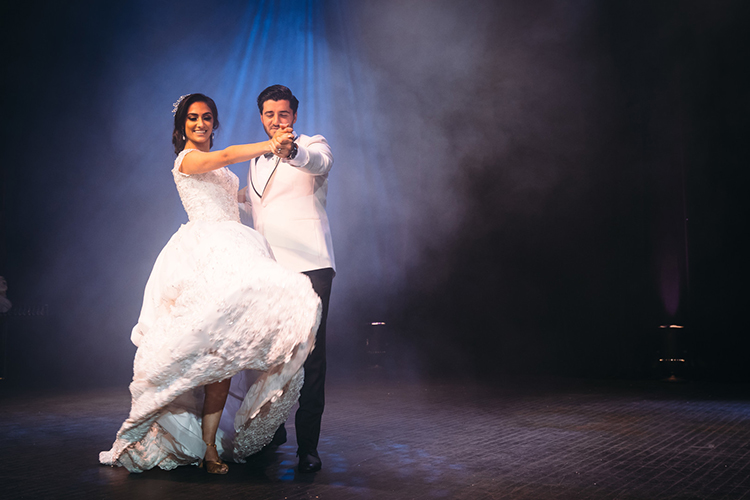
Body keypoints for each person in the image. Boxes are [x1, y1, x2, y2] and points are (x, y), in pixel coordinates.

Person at [100, 93, 321, 474]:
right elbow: (222, 158)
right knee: (206, 351)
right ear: (182, 126)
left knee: (226, 353)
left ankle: (210, 447)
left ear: (213, 123)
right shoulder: (187, 158)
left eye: (205, 118)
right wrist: (268, 144)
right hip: (206, 251)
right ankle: (204, 447)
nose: (200, 124)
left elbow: (229, 193)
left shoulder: (213, 165)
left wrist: (257, 200)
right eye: (192, 119)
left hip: (234, 244)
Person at [239, 85, 334, 473]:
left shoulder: (312, 143)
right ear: (261, 117)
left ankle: (307, 446)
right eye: (269, 114)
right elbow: (257, 204)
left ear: (294, 116)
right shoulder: (255, 159)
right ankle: (270, 432)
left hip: (310, 264)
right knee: (266, 355)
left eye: (283, 114)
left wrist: (292, 151)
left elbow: (318, 163)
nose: (276, 121)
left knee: (311, 359)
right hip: (268, 267)